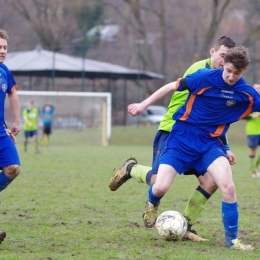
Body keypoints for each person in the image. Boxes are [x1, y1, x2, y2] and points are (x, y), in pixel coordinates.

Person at [128, 46, 256, 250]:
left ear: (243, 72)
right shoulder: (204, 77)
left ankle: (232, 241)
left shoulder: (246, 94)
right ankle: (152, 205)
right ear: (224, 64)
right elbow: (171, 86)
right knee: (160, 186)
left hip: (210, 143)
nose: (231, 77)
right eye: (228, 71)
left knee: (228, 187)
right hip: (181, 139)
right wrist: (143, 104)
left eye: (236, 74)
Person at [109, 36, 236, 241]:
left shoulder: (223, 79)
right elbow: (179, 92)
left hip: (200, 137)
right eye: (222, 56)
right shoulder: (201, 71)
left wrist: (225, 146)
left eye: (228, 58)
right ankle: (131, 169)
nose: (224, 62)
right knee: (158, 183)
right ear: (212, 52)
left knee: (210, 182)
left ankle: (185, 225)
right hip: (174, 130)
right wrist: (143, 105)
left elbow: (216, 116)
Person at [0, 29, 21, 242]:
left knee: (13, 168)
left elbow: (12, 93)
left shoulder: (4, 71)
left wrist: (13, 122)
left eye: (5, 47)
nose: (3, 51)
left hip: (0, 131)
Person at [245, 84, 260, 178]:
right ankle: (253, 170)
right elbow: (241, 116)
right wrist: (252, 116)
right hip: (252, 131)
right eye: (257, 89)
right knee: (253, 150)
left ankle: (256, 167)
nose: (258, 90)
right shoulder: (249, 102)